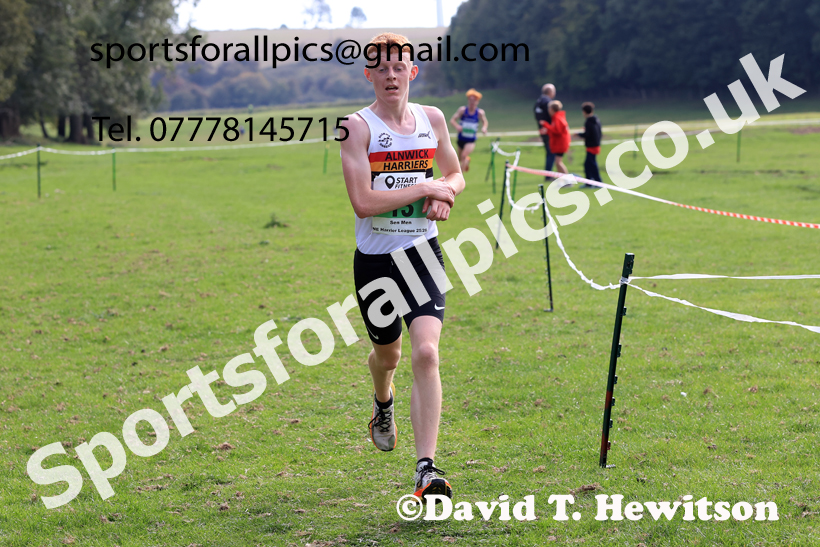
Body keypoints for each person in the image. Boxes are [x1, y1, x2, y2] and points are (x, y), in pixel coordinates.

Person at [339, 32, 465, 505]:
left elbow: (455, 173)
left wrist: (446, 193)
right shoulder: (356, 127)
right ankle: (382, 401)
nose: (391, 75)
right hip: (375, 262)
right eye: (381, 68)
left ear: (413, 72)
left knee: (427, 353)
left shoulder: (432, 119)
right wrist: (424, 189)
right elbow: (363, 202)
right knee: (387, 356)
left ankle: (426, 468)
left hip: (422, 254)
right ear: (368, 74)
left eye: (399, 67)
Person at [449, 89, 488, 173]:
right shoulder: (462, 110)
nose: (472, 102)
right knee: (460, 159)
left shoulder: (479, 113)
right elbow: (452, 120)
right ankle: (467, 160)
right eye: (470, 100)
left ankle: (460, 176)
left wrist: (484, 128)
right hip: (461, 139)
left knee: (463, 155)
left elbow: (484, 121)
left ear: (477, 101)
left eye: (474, 100)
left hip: (471, 140)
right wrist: (457, 126)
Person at [538, 100, 571, 175]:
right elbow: (555, 130)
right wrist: (546, 131)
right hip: (559, 143)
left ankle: (568, 181)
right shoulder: (556, 117)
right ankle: (562, 180)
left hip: (561, 144)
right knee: (557, 162)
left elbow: (558, 131)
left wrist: (546, 125)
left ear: (552, 109)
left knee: (558, 162)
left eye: (549, 108)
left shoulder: (557, 118)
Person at [577, 102, 602, 188]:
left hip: (592, 146)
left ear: (584, 112)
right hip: (596, 145)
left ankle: (598, 182)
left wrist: (579, 134)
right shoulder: (596, 120)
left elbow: (587, 134)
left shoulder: (588, 122)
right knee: (588, 164)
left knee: (591, 164)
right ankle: (590, 182)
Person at [534, 83, 557, 175]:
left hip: (542, 130)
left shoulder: (538, 102)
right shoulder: (548, 102)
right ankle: (548, 175)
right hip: (549, 131)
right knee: (551, 153)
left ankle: (548, 173)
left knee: (549, 152)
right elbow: (553, 116)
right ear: (550, 92)